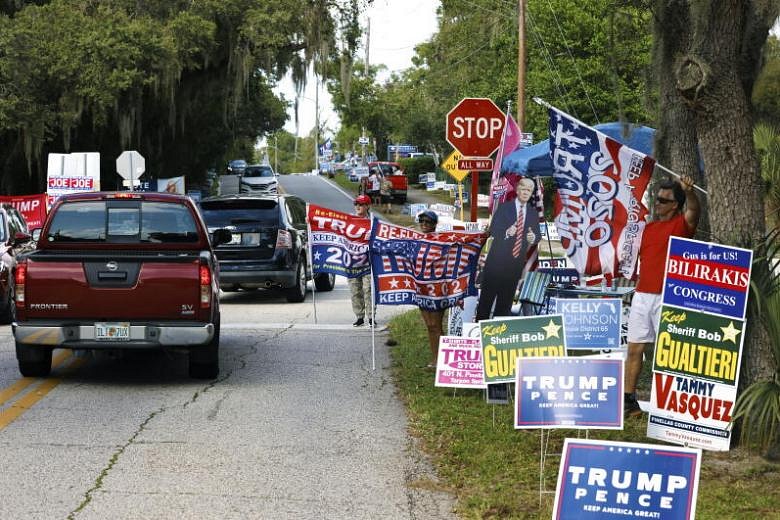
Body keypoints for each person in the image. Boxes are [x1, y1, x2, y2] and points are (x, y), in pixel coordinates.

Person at [624, 174, 700, 417]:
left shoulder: (680, 225)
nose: (657, 203)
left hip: (668, 297)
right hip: (642, 296)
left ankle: (671, 406)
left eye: (663, 200)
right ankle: (629, 401)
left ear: (675, 205)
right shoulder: (648, 228)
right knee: (634, 350)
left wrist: (689, 192)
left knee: (669, 353)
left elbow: (694, 210)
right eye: (656, 199)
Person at [475, 177, 541, 321]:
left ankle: (499, 337)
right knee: (485, 304)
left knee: (504, 306)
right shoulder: (504, 208)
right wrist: (506, 232)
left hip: (514, 267)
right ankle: (479, 334)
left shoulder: (532, 213)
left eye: (529, 190)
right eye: (523, 189)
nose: (525, 192)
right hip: (495, 265)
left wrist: (533, 238)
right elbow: (493, 230)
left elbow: (537, 236)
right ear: (517, 190)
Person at [417, 210, 445, 367]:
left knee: (436, 325)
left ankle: (440, 360)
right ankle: (435, 359)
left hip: (437, 289)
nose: (424, 224)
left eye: (427, 222)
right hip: (421, 289)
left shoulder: (441, 241)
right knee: (429, 325)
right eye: (421, 221)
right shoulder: (416, 240)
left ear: (435, 224)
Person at [348, 194, 374, 327]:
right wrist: (311, 221)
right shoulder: (348, 220)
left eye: (361, 204)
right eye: (356, 204)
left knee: (368, 289)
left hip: (368, 262)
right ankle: (359, 316)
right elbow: (331, 225)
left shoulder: (373, 222)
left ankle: (371, 317)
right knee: (355, 290)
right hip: (352, 261)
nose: (358, 206)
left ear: (367, 206)